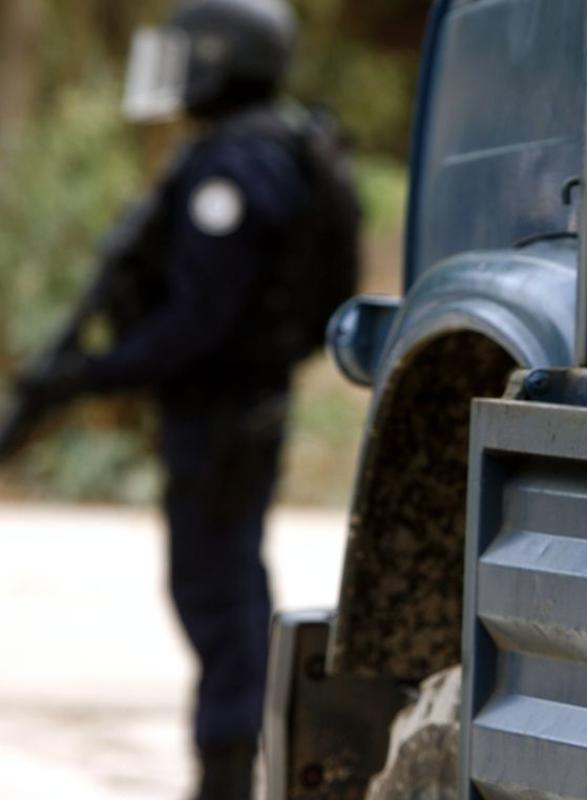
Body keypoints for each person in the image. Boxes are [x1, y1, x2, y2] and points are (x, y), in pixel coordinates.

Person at [4, 1, 360, 797]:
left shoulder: (235, 166)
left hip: (221, 412)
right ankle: (248, 756)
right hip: (240, 405)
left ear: (223, 58)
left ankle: (229, 773)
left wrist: (94, 373)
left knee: (216, 590)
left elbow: (200, 319)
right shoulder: (275, 142)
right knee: (230, 584)